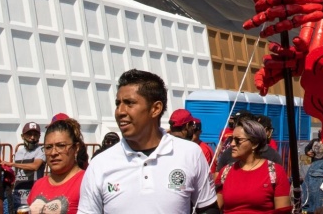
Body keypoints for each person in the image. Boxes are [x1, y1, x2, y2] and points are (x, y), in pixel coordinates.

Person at [79, 69, 219, 214]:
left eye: (129, 103)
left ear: (155, 109)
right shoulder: (100, 164)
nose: (120, 111)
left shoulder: (190, 153)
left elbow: (209, 209)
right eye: (118, 103)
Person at [215, 117, 289, 213]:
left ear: (255, 143)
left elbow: (282, 211)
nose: (232, 144)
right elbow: (215, 208)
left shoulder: (275, 172)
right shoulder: (225, 171)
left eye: (238, 140)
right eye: (231, 139)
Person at [27, 117, 86, 214]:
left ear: (76, 148)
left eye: (61, 146)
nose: (53, 152)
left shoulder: (86, 182)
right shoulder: (38, 185)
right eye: (48, 147)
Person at [7, 121, 45, 209]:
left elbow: (35, 166)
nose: (32, 138)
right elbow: (15, 173)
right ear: (22, 136)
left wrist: (12, 164)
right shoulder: (18, 153)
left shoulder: (41, 150)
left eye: (35, 135)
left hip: (33, 194)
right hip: (18, 195)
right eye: (29, 134)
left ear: (39, 137)